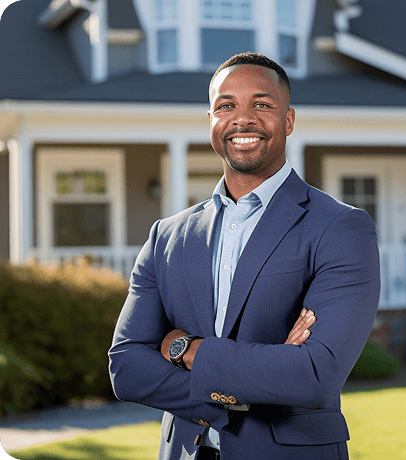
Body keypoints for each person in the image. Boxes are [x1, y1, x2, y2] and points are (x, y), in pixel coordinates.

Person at [108, 52, 381, 460]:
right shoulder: (167, 236)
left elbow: (315, 374)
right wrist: (257, 384)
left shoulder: (340, 227)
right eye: (226, 105)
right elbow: (127, 368)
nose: (243, 119)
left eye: (262, 104)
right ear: (211, 121)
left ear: (288, 121)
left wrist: (184, 348)